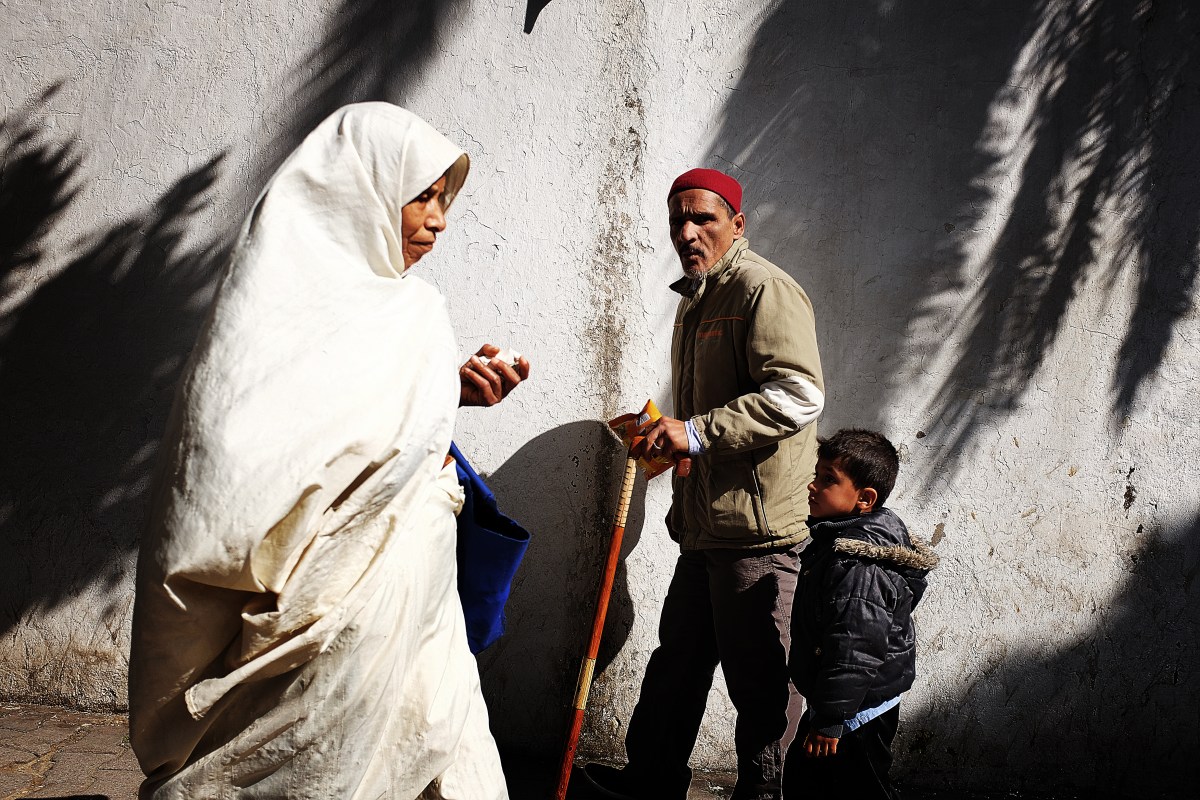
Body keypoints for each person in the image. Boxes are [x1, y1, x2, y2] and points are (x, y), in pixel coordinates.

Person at [128, 103, 529, 800]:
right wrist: (424, 406)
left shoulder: (412, 313)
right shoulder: (268, 305)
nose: (438, 220)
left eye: (446, 200)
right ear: (361, 189)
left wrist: (448, 392)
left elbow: (376, 427)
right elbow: (230, 466)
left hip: (413, 584)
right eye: (423, 196)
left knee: (432, 734)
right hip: (326, 602)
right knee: (318, 758)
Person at [585, 169, 824, 800]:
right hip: (705, 525)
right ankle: (650, 783)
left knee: (760, 682)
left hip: (756, 533)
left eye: (703, 219)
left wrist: (694, 432)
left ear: (737, 224)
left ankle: (763, 793)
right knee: (678, 664)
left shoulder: (762, 289)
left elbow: (798, 396)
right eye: (677, 221)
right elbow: (706, 415)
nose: (687, 233)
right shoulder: (697, 299)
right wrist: (666, 439)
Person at [784, 429, 938, 799]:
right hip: (844, 702)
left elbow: (856, 646)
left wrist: (831, 719)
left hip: (856, 710)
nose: (813, 486)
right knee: (807, 782)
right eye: (816, 474)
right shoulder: (837, 543)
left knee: (855, 787)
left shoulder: (858, 565)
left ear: (865, 499)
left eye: (828, 479)